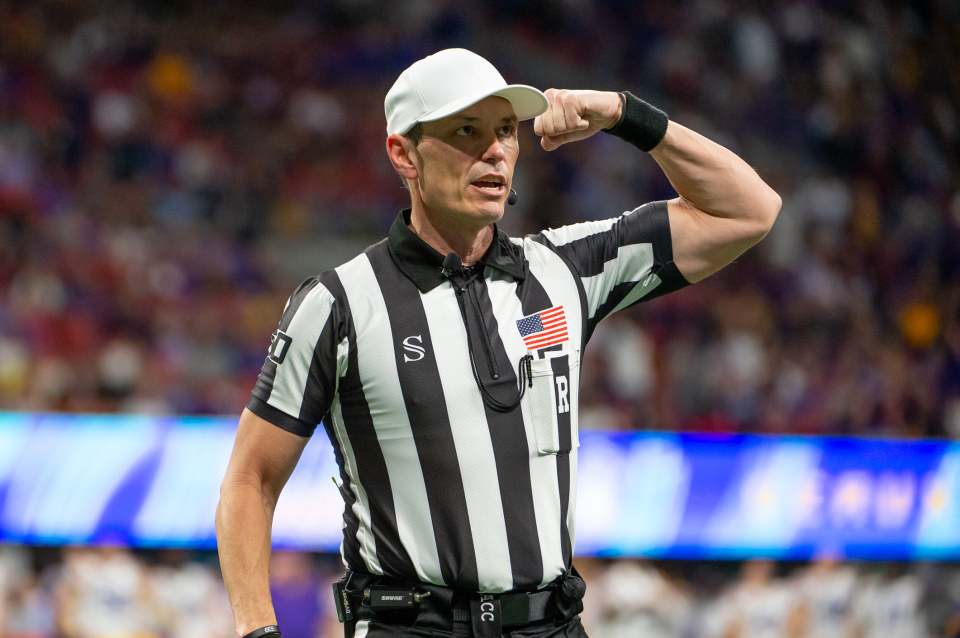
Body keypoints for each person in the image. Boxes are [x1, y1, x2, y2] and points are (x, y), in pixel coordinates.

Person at [216, 48, 780, 638]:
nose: (495, 151)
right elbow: (249, 480)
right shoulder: (338, 304)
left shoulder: (565, 269)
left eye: (506, 131)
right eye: (467, 131)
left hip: (550, 626)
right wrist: (257, 633)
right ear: (403, 154)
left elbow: (748, 211)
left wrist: (621, 113)